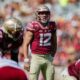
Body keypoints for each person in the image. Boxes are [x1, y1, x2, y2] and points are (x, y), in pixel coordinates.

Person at [22, 5, 57, 80]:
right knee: (33, 78)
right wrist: (26, 60)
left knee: (50, 77)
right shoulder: (33, 25)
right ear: (37, 14)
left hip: (48, 57)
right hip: (36, 57)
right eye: (41, 13)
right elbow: (25, 44)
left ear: (49, 14)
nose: (44, 15)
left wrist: (52, 55)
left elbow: (54, 42)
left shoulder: (52, 25)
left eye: (46, 13)